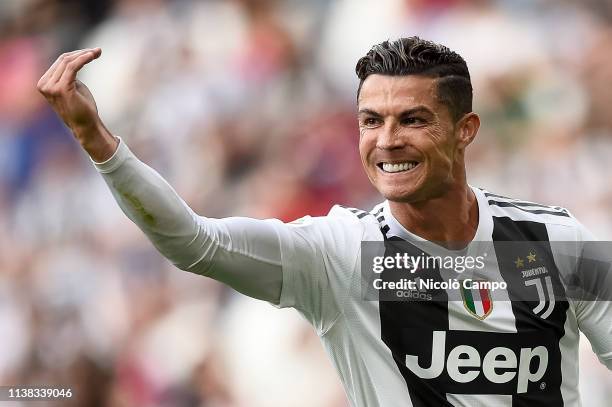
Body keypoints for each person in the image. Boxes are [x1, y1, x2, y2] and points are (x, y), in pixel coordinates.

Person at [37, 37, 611, 406]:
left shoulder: (557, 240)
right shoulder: (339, 253)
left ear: (466, 130)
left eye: (413, 119)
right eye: (371, 120)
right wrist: (98, 142)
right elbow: (193, 242)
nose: (387, 141)